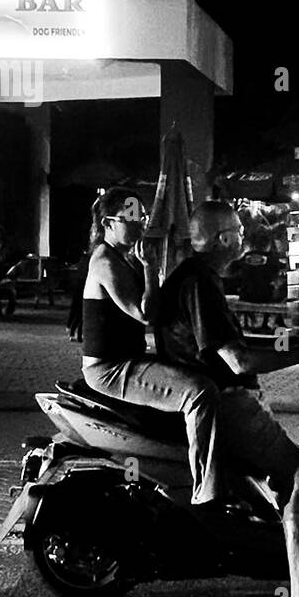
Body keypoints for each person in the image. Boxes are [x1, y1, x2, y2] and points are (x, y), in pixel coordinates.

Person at [153, 200, 299, 597]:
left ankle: (282, 553)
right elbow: (237, 358)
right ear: (225, 239)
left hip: (228, 397)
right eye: (239, 232)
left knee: (289, 482)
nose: (245, 239)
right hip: (227, 403)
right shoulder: (199, 284)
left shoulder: (196, 278)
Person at [80, 187, 231, 527]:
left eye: (143, 218)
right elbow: (144, 313)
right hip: (110, 368)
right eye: (131, 219)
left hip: (130, 359)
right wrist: (150, 269)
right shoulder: (105, 261)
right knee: (200, 392)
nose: (140, 226)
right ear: (108, 223)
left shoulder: (123, 256)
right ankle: (208, 493)